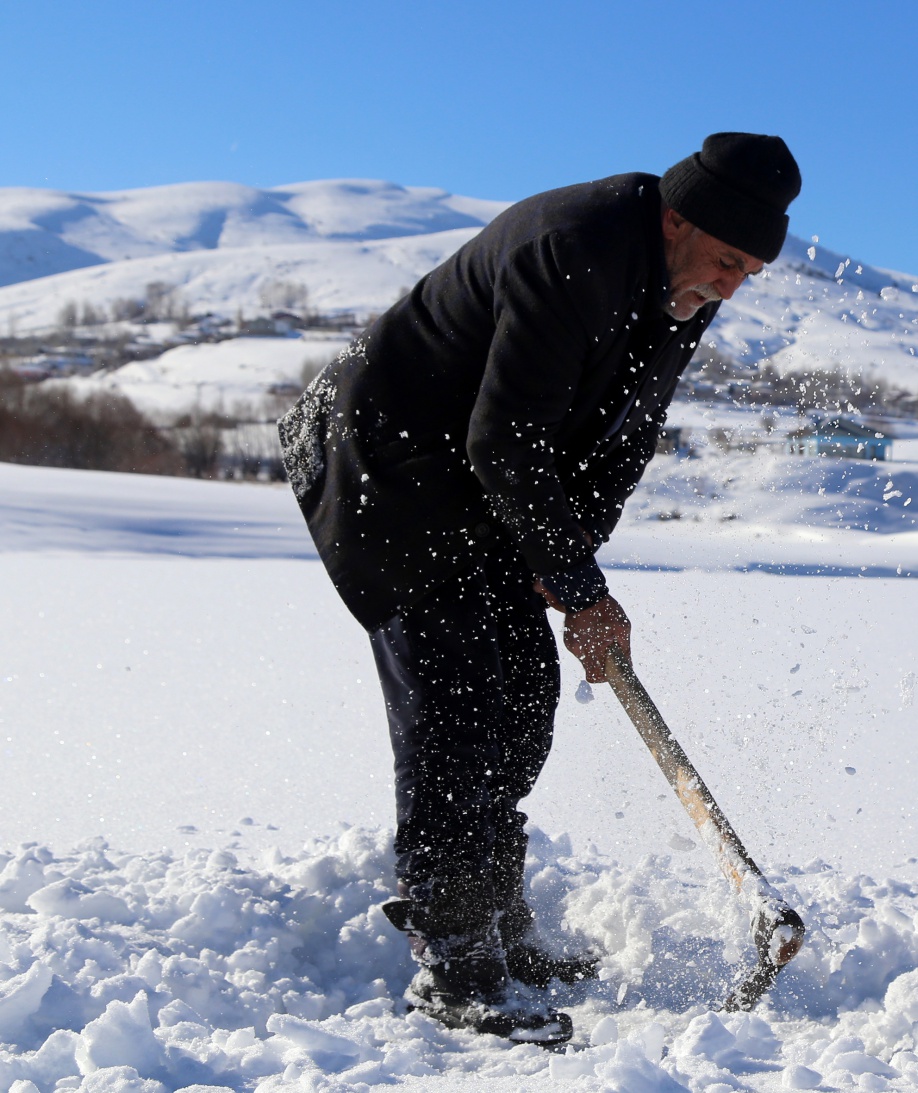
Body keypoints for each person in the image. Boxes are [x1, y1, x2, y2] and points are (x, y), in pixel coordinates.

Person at [279, 133, 801, 1041]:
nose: (731, 286)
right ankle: (457, 964)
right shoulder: (576, 245)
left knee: (521, 693)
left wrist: (567, 565)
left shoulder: (686, 283)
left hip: (478, 480)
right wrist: (578, 585)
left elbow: (624, 439)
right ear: (676, 219)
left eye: (749, 271)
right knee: (459, 701)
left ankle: (500, 925)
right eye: (726, 261)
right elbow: (506, 440)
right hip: (390, 462)